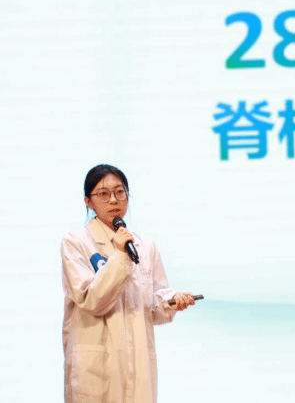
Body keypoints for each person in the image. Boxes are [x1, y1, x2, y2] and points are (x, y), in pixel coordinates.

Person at [61, 164, 195, 403]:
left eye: (120, 192)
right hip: (96, 365)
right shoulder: (76, 242)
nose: (114, 200)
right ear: (88, 202)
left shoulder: (145, 246)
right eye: (103, 194)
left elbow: (153, 306)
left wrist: (171, 301)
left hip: (138, 363)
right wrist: (121, 257)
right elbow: (91, 300)